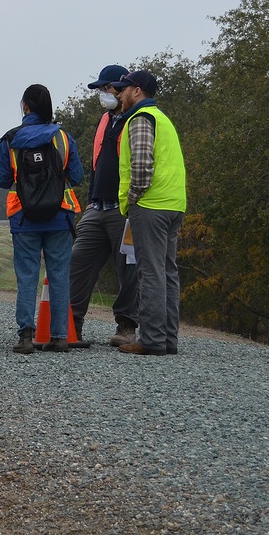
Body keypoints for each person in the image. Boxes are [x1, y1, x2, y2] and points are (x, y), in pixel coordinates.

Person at [0, 84, 84, 353]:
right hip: (60, 216)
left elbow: (1, 179)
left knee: (27, 277)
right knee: (59, 275)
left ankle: (25, 337)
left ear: (25, 106)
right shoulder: (64, 139)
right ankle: (59, 337)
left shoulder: (10, 140)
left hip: (24, 218)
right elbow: (77, 176)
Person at [110, 70, 187, 356]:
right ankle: (167, 340)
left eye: (124, 89)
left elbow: (141, 167)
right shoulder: (162, 118)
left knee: (150, 272)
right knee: (167, 272)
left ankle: (152, 340)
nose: (119, 94)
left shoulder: (140, 119)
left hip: (150, 205)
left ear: (137, 90)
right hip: (173, 204)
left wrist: (132, 199)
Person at [70, 65, 141, 347]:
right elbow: (96, 164)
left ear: (121, 88)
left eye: (106, 88)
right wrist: (90, 201)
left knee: (129, 268)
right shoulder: (104, 120)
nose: (103, 94)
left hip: (124, 209)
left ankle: (126, 325)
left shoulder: (137, 119)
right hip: (97, 207)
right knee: (77, 262)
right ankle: (71, 323)